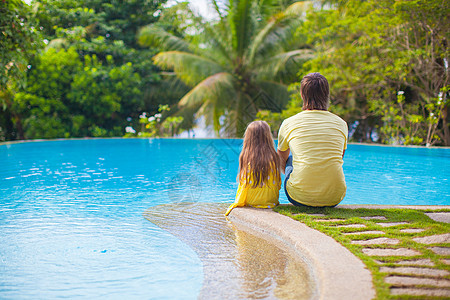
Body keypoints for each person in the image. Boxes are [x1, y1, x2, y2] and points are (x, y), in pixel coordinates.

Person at [277, 72, 348, 207]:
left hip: (298, 196)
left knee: (291, 157)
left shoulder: (289, 123)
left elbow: (280, 157)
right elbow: (340, 157)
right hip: (335, 196)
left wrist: (290, 175)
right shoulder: (341, 123)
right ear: (327, 95)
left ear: (302, 95)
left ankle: (300, 184)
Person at [225, 121, 281, 216]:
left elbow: (244, 185)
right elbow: (278, 183)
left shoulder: (247, 158)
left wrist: (238, 202)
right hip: (271, 200)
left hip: (252, 201)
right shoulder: (274, 157)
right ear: (268, 137)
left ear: (248, 138)